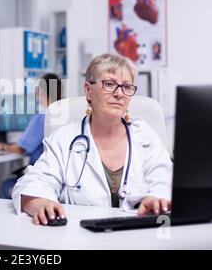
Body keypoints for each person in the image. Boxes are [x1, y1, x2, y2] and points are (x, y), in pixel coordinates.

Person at [12, 53, 172, 225]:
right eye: (109, 84)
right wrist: (41, 203)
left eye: (126, 87)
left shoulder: (145, 136)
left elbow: (165, 179)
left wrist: (157, 198)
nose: (119, 94)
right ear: (88, 90)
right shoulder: (64, 139)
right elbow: (35, 182)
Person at [0, 73, 62, 199]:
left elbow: (21, 148)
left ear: (41, 92)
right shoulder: (62, 113)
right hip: (58, 178)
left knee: (6, 185)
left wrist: (3, 147)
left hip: (41, 177)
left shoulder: (42, 116)